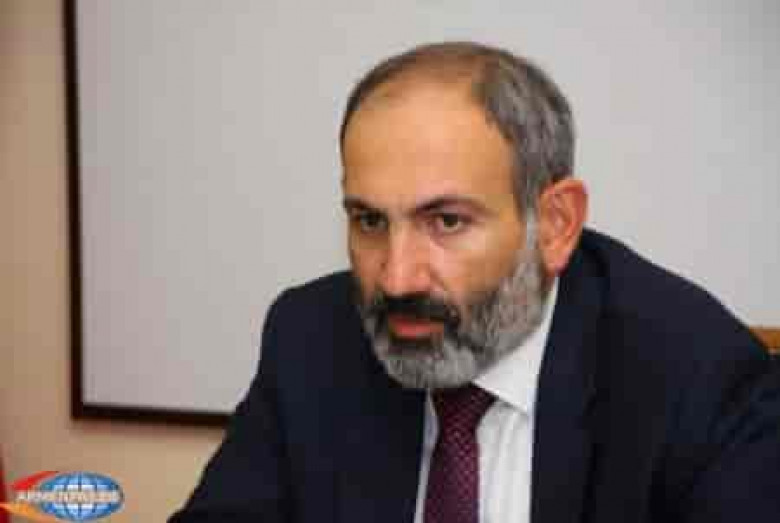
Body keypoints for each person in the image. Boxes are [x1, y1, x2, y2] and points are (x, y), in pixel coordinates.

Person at [169, 42, 780, 523]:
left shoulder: (696, 379)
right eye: (370, 221)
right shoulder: (312, 338)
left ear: (556, 225)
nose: (397, 278)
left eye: (447, 221)